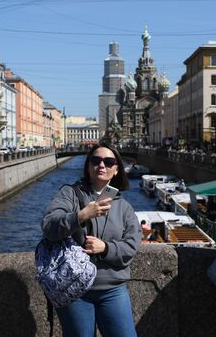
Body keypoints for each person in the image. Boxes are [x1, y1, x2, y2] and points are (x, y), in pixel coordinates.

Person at [42, 143, 141, 337]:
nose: (101, 165)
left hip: (113, 289)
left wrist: (105, 248)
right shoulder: (69, 194)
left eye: (109, 161)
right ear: (88, 166)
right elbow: (49, 227)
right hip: (74, 289)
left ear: (116, 169)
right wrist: (81, 216)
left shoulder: (124, 207)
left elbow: (131, 246)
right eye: (96, 160)